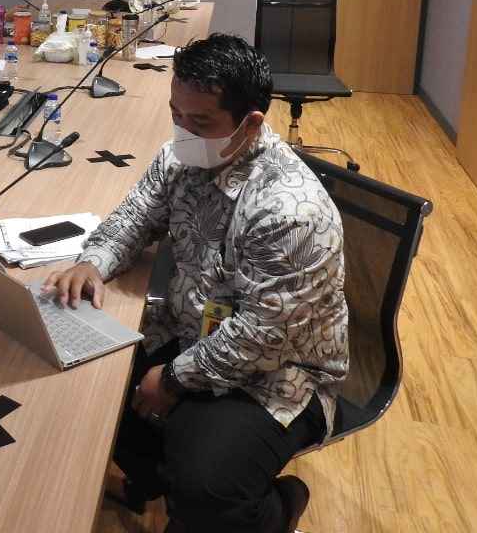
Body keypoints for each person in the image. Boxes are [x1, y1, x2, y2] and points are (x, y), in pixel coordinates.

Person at [44, 33, 347, 533]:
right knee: (88, 382)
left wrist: (172, 379)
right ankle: (154, 481)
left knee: (205, 483)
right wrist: (93, 262)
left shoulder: (291, 211)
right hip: (194, 331)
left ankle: (278, 508)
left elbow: (264, 336)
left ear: (251, 124)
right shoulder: (181, 157)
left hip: (279, 374)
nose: (183, 131)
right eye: (175, 114)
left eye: (200, 122)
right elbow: (135, 218)